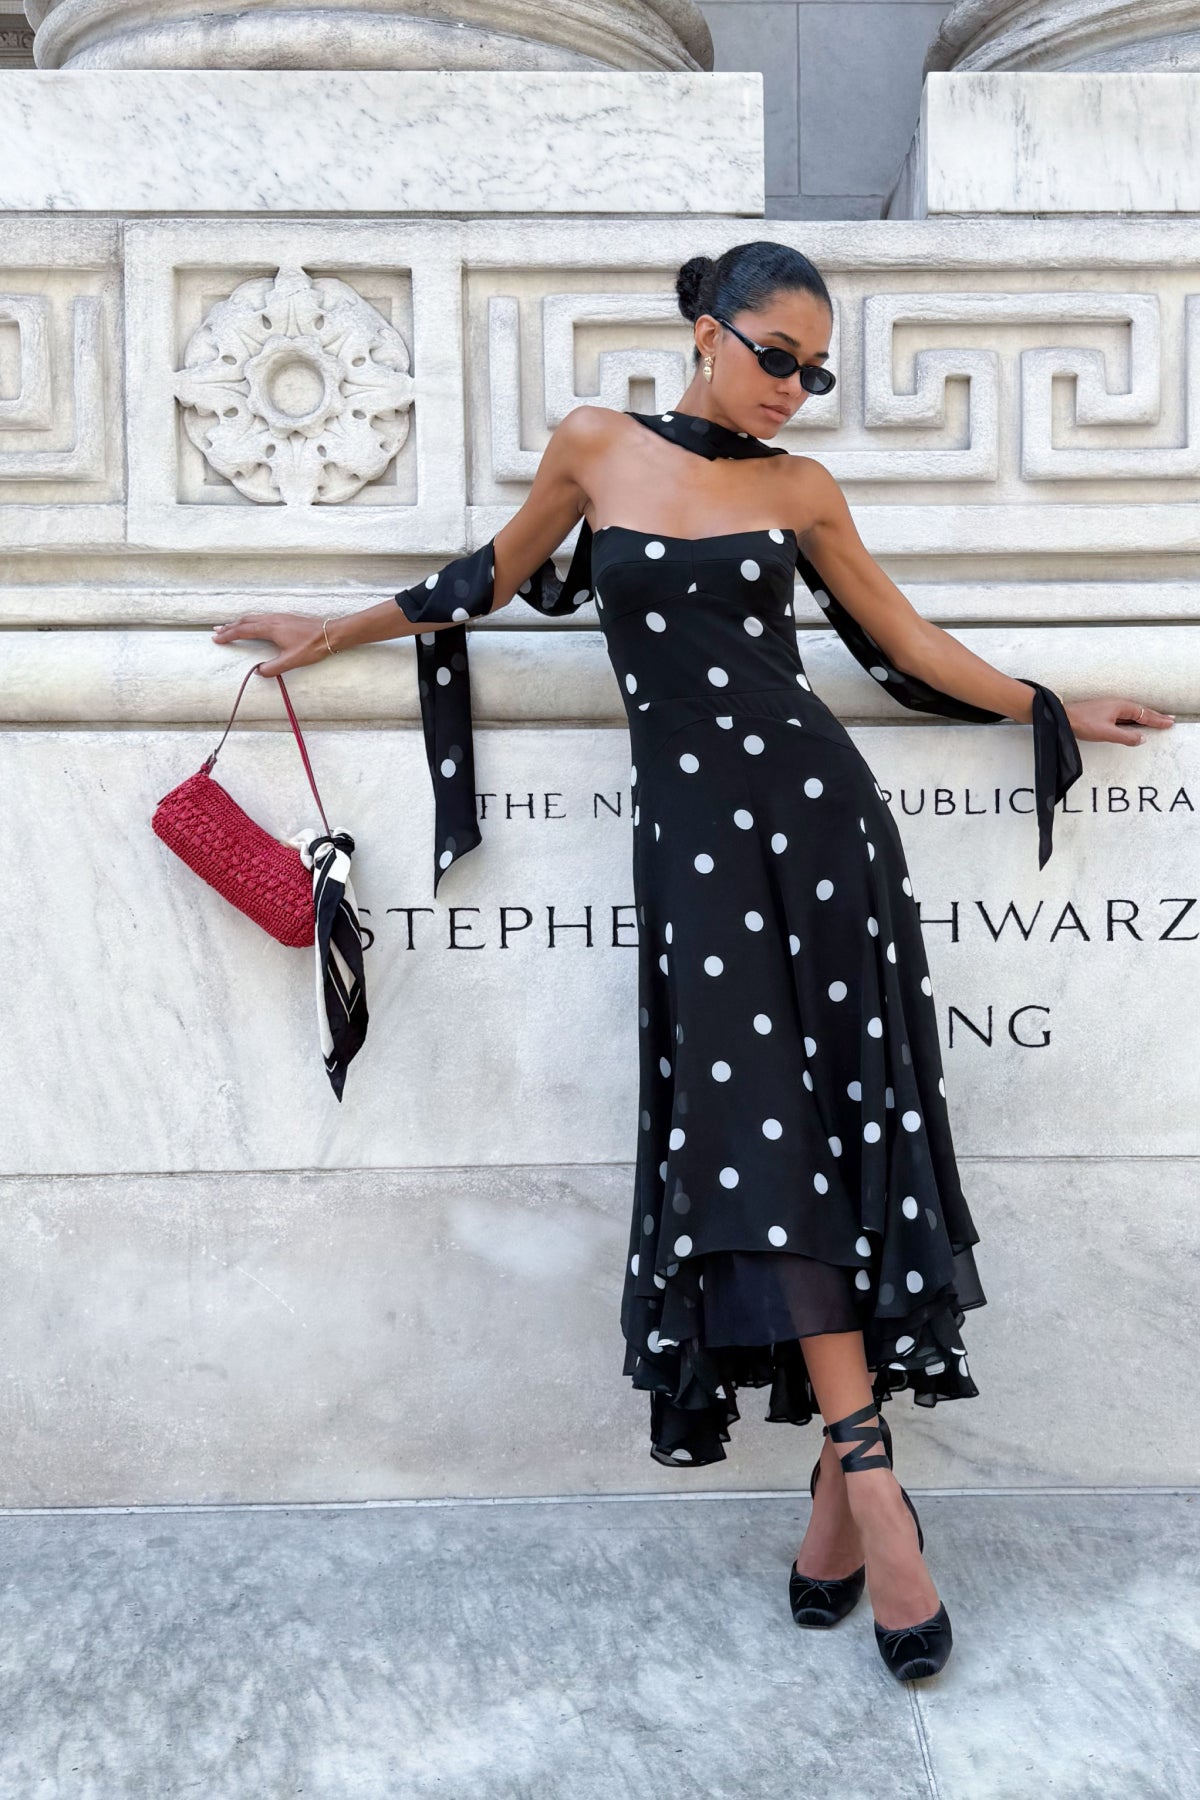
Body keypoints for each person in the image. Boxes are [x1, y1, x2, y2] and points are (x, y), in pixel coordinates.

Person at [211, 240, 1174, 1680]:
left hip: (824, 828)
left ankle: (857, 1498)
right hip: (698, 853)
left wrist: (1052, 703)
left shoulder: (804, 491)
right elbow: (484, 578)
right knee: (758, 1146)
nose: (794, 389)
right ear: (709, 331)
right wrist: (331, 625)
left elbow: (901, 638)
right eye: (777, 356)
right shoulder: (595, 446)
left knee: (841, 1133)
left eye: (816, 373)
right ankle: (870, 1496)